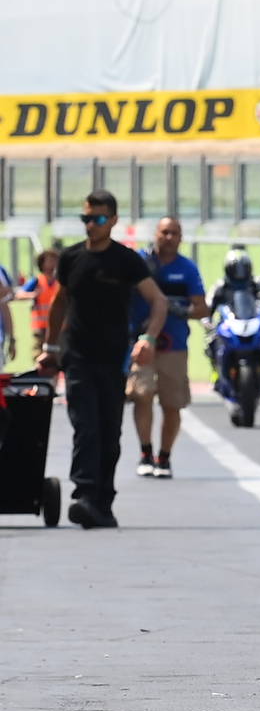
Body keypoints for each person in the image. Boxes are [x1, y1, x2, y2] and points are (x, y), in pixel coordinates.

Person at [37, 191, 168, 529]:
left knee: (109, 432)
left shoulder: (126, 260)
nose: (90, 225)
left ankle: (102, 503)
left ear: (112, 221)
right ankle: (83, 495)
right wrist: (51, 348)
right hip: (77, 357)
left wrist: (149, 338)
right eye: (86, 219)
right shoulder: (71, 258)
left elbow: (158, 301)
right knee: (86, 427)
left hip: (112, 360)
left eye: (97, 219)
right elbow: (60, 303)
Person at [128, 217, 209, 479]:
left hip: (174, 344)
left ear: (181, 238)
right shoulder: (140, 263)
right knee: (142, 394)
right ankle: (145, 452)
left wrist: (181, 310)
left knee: (172, 404)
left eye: (174, 233)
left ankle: (164, 456)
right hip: (142, 342)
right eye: (164, 232)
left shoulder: (187, 269)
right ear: (156, 234)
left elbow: (201, 308)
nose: (169, 237)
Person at [19, 249, 60, 360]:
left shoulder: (60, 282)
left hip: (57, 326)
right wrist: (32, 295)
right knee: (38, 355)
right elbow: (19, 294)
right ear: (42, 263)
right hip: (40, 327)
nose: (53, 263)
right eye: (50, 260)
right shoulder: (37, 281)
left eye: (55, 260)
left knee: (58, 356)